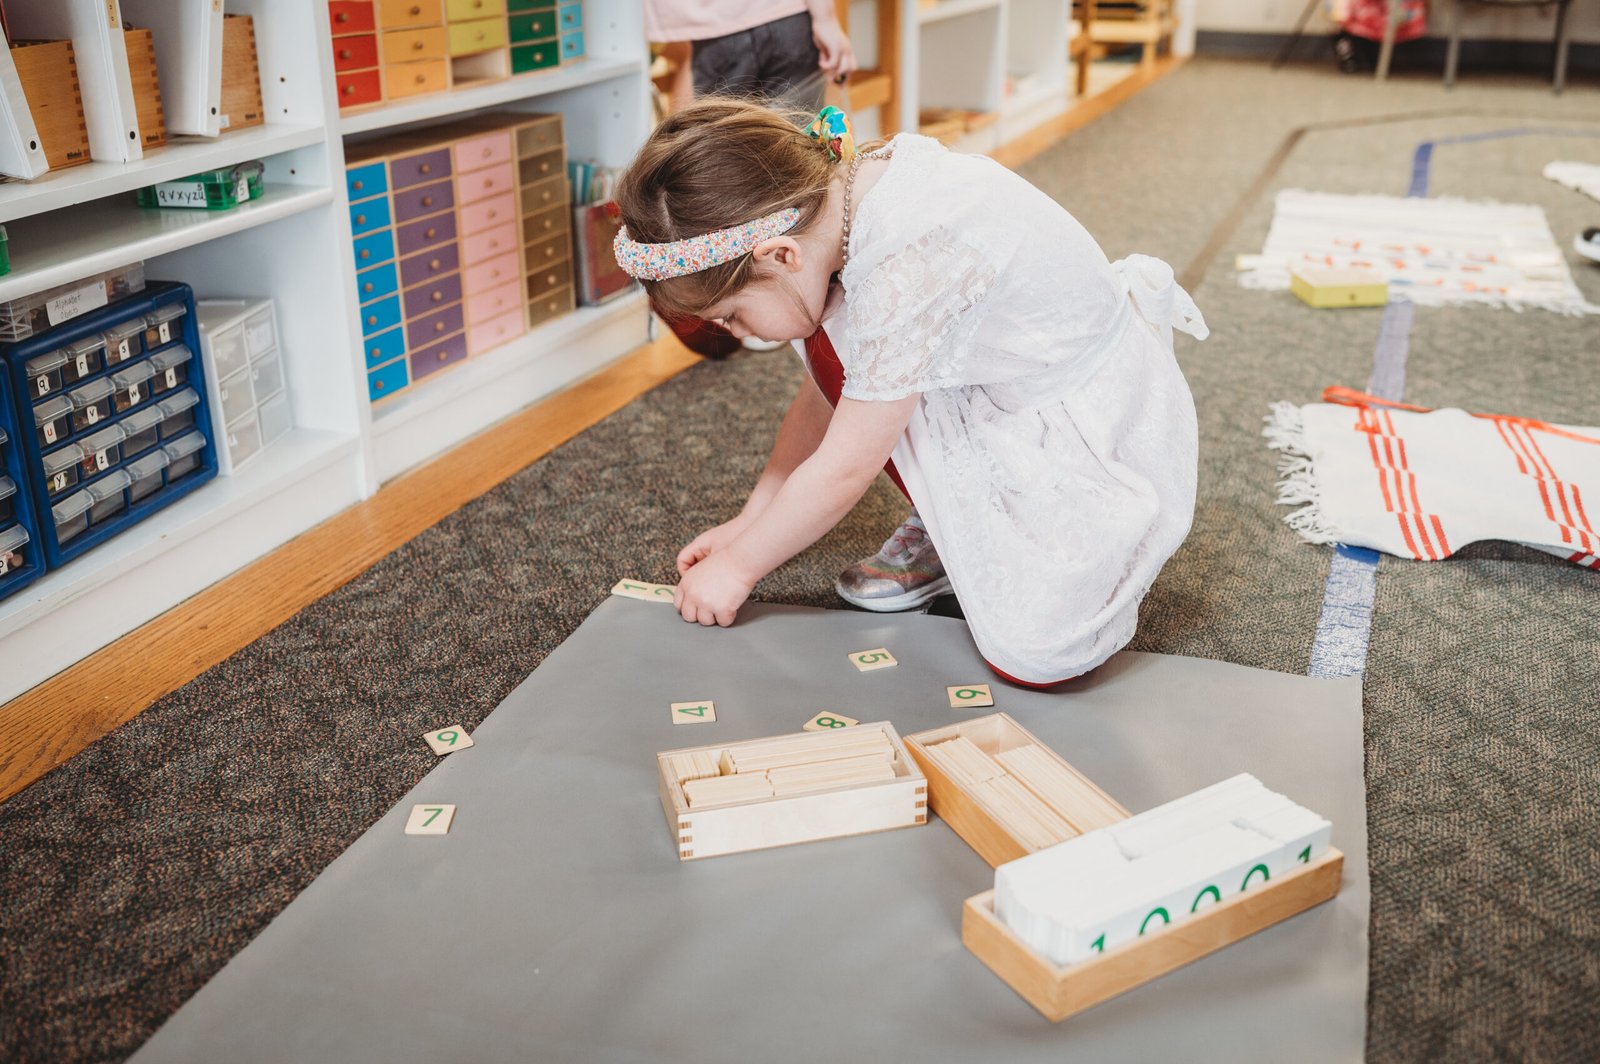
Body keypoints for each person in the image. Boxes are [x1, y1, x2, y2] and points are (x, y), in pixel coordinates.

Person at [611, 101, 1208, 686]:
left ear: (781, 254)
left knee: (1036, 656)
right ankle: (945, 521)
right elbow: (822, 402)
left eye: (732, 315)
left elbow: (846, 464)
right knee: (831, 341)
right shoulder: (839, 200)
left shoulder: (906, 263)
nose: (737, 335)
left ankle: (970, 529)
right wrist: (749, 523)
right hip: (996, 376)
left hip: (1074, 412)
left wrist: (740, 568)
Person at [644, 0, 855, 114]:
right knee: (804, 149)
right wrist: (826, 20)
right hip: (789, 19)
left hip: (717, 33)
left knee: (721, 156)